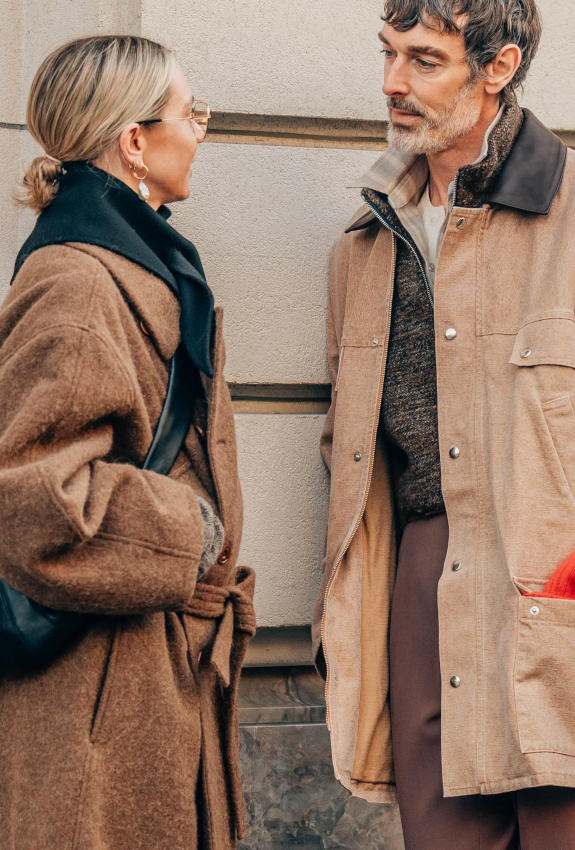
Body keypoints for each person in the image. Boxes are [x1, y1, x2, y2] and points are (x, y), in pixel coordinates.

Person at [312, 1, 575, 848]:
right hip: (420, 585)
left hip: (567, 594)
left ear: (498, 68)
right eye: (388, 54)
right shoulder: (363, 247)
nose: (392, 84)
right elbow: (350, 455)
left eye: (424, 60)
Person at [0, 36, 255, 850]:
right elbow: (36, 502)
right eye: (191, 112)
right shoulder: (76, 282)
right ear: (134, 140)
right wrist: (194, 530)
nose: (200, 130)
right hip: (96, 699)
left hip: (140, 678)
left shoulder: (139, 265)